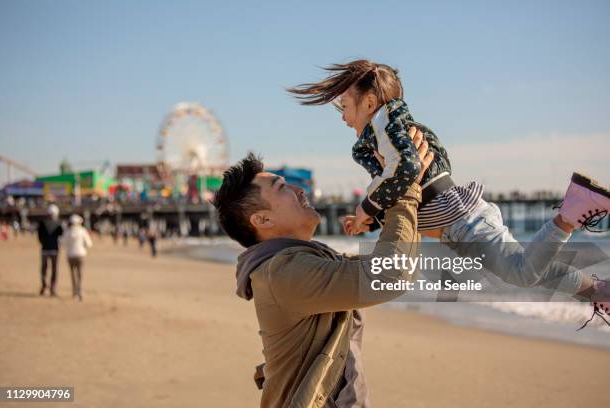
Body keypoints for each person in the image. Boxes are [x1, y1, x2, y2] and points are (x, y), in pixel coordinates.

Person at [288, 59, 610, 309]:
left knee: (522, 273)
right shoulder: (389, 133)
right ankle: (596, 290)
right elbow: (406, 189)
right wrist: (370, 220)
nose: (343, 117)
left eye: (345, 106)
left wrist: (365, 207)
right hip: (460, 225)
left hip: (464, 222)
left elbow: (407, 170)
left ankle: (571, 213)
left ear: (370, 103)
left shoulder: (387, 127)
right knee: (525, 267)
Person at [211, 127, 432, 408]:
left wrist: (382, 209)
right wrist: (405, 189)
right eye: (282, 188)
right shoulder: (285, 272)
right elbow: (391, 274)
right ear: (262, 220)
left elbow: (381, 267)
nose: (298, 189)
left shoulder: (298, 262)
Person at [62, 214, 93, 301]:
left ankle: (74, 292)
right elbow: (89, 244)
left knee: (72, 274)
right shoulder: (82, 231)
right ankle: (80, 291)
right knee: (80, 275)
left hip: (70, 255)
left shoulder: (67, 231)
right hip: (80, 255)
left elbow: (62, 243)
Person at [37, 204, 63, 296]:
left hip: (45, 249)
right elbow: (61, 237)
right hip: (54, 250)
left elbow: (39, 237)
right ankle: (52, 288)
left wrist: (44, 243)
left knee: (44, 269)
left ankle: (44, 286)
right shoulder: (59, 224)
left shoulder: (42, 223)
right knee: (54, 269)